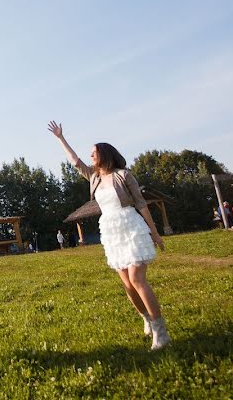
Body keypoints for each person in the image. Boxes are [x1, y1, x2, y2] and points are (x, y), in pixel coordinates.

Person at [47, 121, 170, 350]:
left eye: (94, 153)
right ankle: (146, 319)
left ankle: (160, 331)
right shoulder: (93, 178)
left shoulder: (124, 176)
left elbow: (142, 205)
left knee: (137, 280)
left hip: (131, 225)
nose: (91, 156)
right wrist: (61, 138)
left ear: (104, 154)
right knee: (127, 285)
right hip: (112, 231)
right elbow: (75, 162)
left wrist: (155, 234)